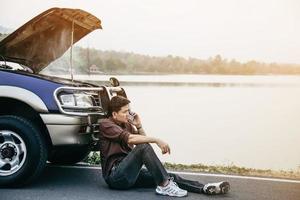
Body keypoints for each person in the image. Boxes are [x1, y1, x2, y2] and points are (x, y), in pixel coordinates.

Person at [98, 95, 230, 197]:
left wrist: (139, 126)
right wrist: (157, 140)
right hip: (116, 177)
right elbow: (132, 140)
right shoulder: (106, 124)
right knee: (144, 149)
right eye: (125, 112)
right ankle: (164, 186)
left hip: (130, 173)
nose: (129, 114)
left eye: (129, 111)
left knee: (169, 175)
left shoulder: (126, 124)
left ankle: (204, 188)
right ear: (114, 114)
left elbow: (143, 141)